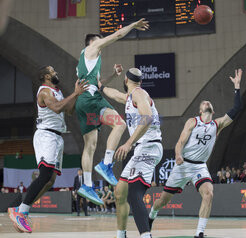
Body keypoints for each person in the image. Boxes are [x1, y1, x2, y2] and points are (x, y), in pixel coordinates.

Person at [148, 69, 243, 238]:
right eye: (203, 102)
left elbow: (236, 108)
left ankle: (199, 232)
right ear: (200, 110)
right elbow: (180, 142)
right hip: (183, 165)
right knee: (163, 200)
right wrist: (178, 155)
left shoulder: (217, 125)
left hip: (199, 167)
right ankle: (151, 215)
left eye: (208, 102)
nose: (206, 102)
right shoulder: (193, 121)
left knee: (208, 193)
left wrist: (236, 87)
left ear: (212, 111)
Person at [75, 19, 149, 205]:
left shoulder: (88, 62)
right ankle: (106, 163)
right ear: (93, 42)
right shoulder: (92, 49)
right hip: (92, 102)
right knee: (120, 124)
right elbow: (117, 35)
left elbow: (99, 85)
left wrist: (113, 76)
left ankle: (87, 185)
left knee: (90, 146)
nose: (103, 44)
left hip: (83, 104)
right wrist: (132, 26)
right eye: (100, 41)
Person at [8, 65, 89, 233]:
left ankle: (22, 209)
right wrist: (74, 93)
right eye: (53, 71)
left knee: (51, 180)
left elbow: (68, 110)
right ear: (46, 76)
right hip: (46, 136)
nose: (56, 72)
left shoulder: (57, 92)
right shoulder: (44, 91)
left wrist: (78, 95)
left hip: (57, 137)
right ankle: (21, 211)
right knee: (45, 174)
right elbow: (57, 108)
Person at [99, 68, 163, 238]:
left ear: (126, 79)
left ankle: (145, 235)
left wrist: (128, 143)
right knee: (120, 191)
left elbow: (147, 118)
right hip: (142, 148)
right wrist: (100, 87)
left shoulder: (139, 94)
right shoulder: (129, 97)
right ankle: (121, 234)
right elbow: (114, 94)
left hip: (149, 146)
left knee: (134, 193)